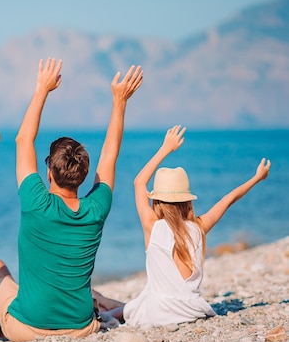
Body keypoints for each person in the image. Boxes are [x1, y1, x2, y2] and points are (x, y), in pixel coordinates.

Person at [0, 58, 143, 341]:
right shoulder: (97, 207)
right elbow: (110, 154)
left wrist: (42, 89)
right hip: (81, 327)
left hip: (27, 329)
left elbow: (23, 141)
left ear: (49, 172)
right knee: (84, 291)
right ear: (85, 175)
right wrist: (120, 101)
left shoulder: (35, 202)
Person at [104, 125, 271, 326]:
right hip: (192, 310)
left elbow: (139, 182)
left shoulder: (152, 226)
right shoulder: (199, 227)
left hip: (158, 312)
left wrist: (166, 148)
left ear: (156, 201)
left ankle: (101, 317)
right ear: (187, 201)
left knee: (130, 307)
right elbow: (228, 200)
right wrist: (256, 178)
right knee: (139, 300)